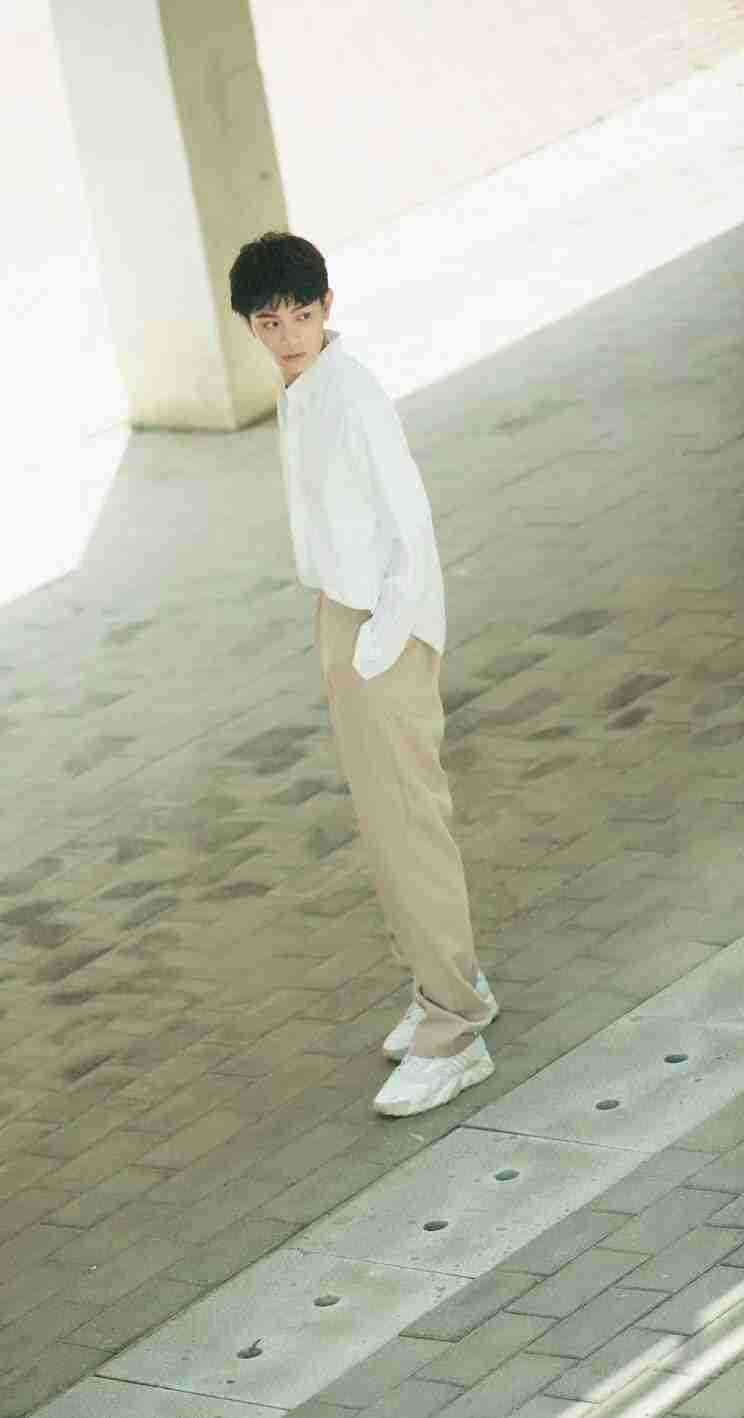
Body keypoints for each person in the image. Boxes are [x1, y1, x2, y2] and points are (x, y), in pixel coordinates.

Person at [228, 231, 499, 1117]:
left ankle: (454, 1030)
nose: (288, 336)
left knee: (408, 827)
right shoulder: (305, 391)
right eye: (269, 323)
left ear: (327, 308)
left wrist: (376, 647)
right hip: (346, 617)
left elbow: (409, 529)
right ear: (251, 327)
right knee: (387, 827)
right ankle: (444, 983)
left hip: (382, 627)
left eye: (302, 316)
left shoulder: (351, 397)